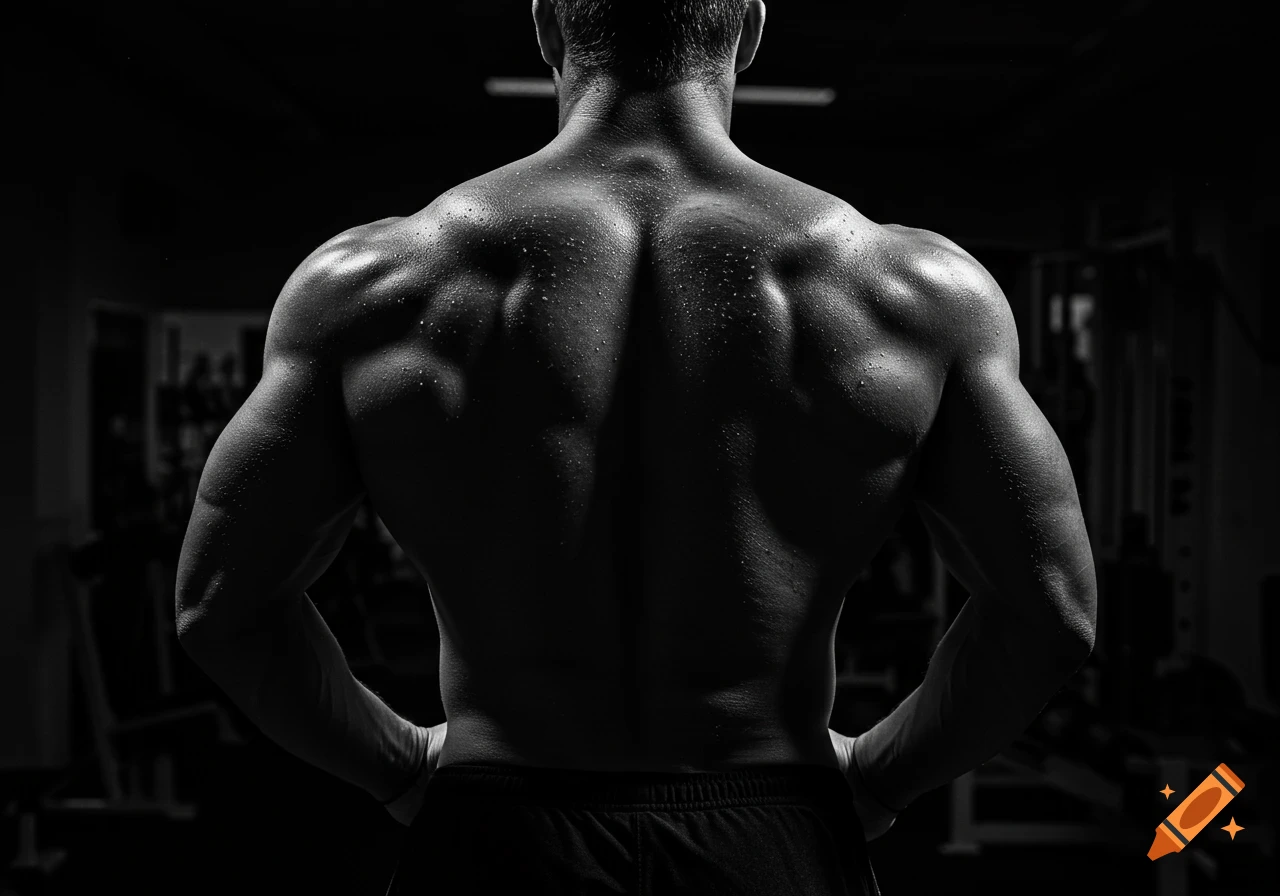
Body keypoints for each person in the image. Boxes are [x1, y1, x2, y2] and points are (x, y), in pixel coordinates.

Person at [174, 1, 1097, 893]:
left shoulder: (377, 283)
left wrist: (403, 769)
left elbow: (221, 606)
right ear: (751, 30)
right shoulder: (906, 290)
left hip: (496, 830)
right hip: (773, 825)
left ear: (546, 26)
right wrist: (881, 780)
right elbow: (1051, 611)